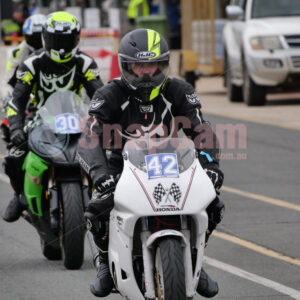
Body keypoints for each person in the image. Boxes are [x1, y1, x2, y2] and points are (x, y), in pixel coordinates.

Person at [77, 28, 225, 298]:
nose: (146, 72)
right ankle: (104, 266)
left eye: (152, 64)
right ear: (126, 65)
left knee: (213, 204)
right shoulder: (109, 94)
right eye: (138, 65)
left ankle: (193, 260)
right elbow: (90, 137)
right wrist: (100, 174)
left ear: (162, 64)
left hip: (172, 165)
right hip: (121, 166)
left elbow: (202, 129)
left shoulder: (179, 89)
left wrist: (210, 165)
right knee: (97, 208)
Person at [2, 11, 103, 223]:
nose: (62, 45)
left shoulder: (85, 63)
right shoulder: (31, 64)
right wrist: (16, 128)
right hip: (40, 117)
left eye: (67, 40)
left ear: (76, 39)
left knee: (109, 151)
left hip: (76, 116)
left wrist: (106, 120)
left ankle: (106, 194)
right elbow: (17, 100)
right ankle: (20, 196)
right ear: (45, 39)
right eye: (57, 40)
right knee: (14, 154)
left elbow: (101, 95)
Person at [1, 13, 47, 144]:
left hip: (52, 94)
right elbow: (7, 80)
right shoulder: (18, 53)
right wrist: (8, 98)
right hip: (28, 93)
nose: (37, 41)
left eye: (40, 36)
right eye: (33, 37)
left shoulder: (58, 51)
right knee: (8, 126)